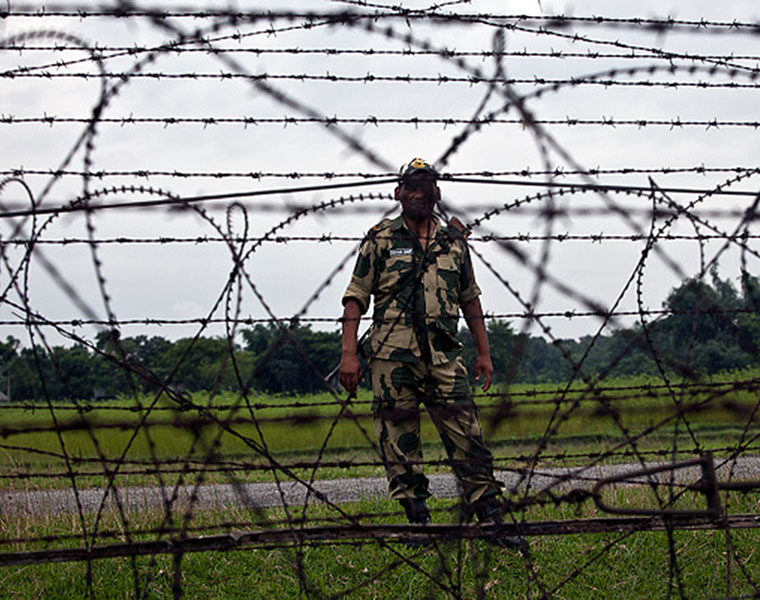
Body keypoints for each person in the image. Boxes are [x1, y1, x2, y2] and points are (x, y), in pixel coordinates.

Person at [339, 157, 523, 549]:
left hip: (444, 357)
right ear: (398, 193)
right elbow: (355, 298)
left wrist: (484, 354)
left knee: (469, 437)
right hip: (392, 360)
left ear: (438, 193)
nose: (420, 193)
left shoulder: (453, 244)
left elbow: (470, 298)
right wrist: (349, 354)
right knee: (400, 444)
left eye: (427, 186)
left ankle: (491, 519)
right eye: (411, 186)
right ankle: (419, 522)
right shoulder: (380, 239)